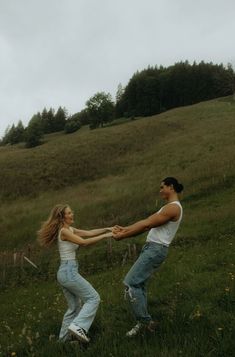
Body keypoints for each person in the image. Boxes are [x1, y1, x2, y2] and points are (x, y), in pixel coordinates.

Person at [112, 177, 183, 337]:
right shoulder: (168, 207)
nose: (159, 191)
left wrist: (124, 236)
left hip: (155, 249)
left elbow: (147, 225)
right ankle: (144, 323)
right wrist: (125, 229)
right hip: (152, 248)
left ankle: (146, 323)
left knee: (131, 284)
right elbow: (146, 221)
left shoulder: (173, 208)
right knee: (139, 285)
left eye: (161, 187)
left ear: (170, 187)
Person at [37, 204, 113, 344]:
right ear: (62, 216)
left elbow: (88, 233)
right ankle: (78, 327)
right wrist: (106, 236)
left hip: (66, 272)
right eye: (69, 213)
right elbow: (84, 243)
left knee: (74, 308)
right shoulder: (64, 232)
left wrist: (108, 228)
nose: (73, 214)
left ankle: (63, 341)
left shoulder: (69, 230)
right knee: (93, 298)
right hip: (68, 272)